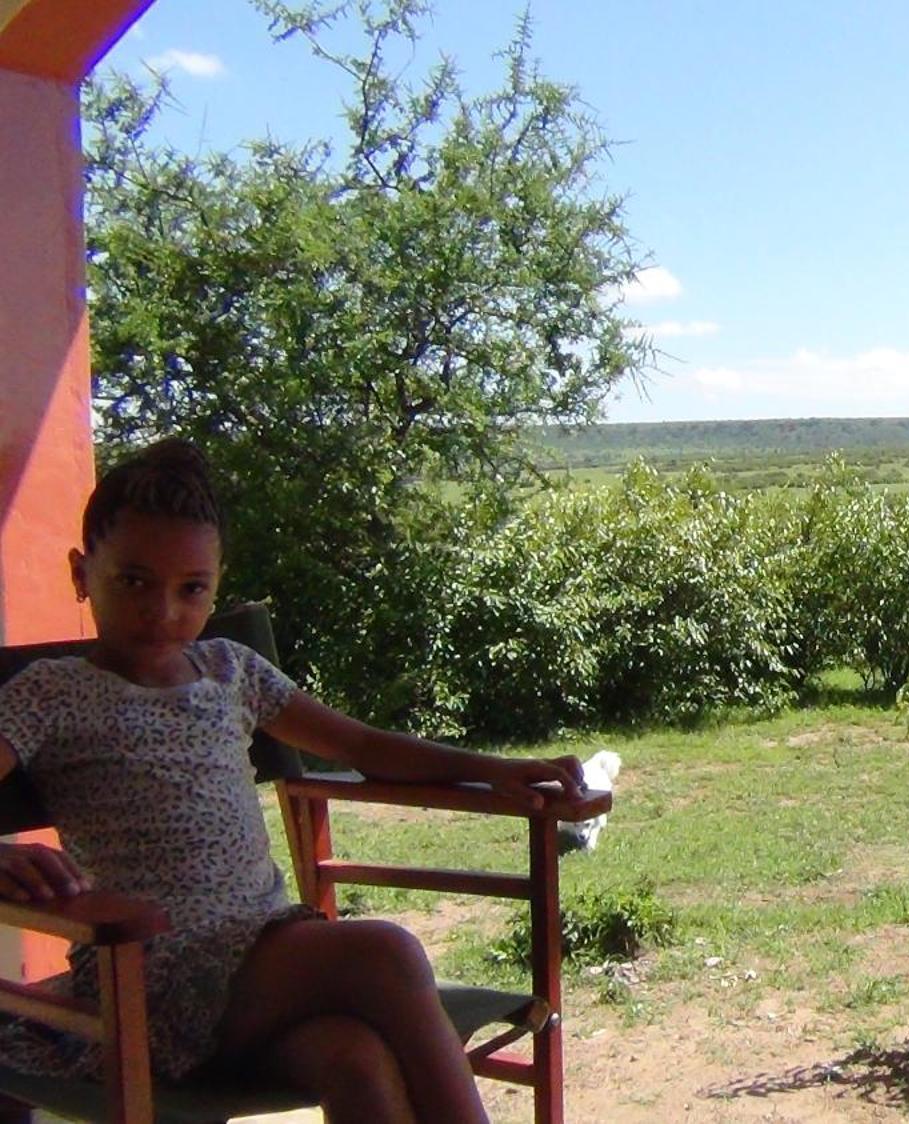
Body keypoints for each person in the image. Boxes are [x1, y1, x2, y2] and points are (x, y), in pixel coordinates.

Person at [0, 438, 583, 1124]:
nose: (163, 612)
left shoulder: (231, 670)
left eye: (191, 589)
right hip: (148, 972)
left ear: (216, 586)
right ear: (80, 574)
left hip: (261, 954)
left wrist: (493, 770)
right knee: (385, 953)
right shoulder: (51, 693)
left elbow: (362, 744)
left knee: (356, 1060)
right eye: (133, 581)